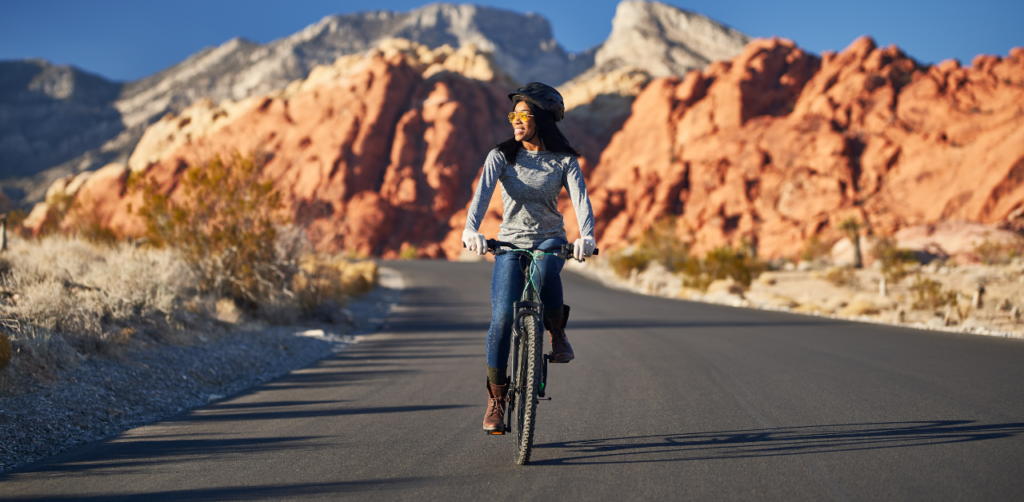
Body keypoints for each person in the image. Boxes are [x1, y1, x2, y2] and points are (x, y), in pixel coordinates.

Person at [461, 82, 596, 432]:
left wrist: (587, 237)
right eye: (513, 115)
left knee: (548, 266)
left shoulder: (563, 161)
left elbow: (581, 201)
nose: (516, 121)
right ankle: (497, 398)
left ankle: (557, 332)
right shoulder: (501, 156)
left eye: (524, 115)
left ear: (543, 120)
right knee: (503, 317)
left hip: (550, 238)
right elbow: (480, 198)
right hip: (509, 244)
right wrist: (470, 230)